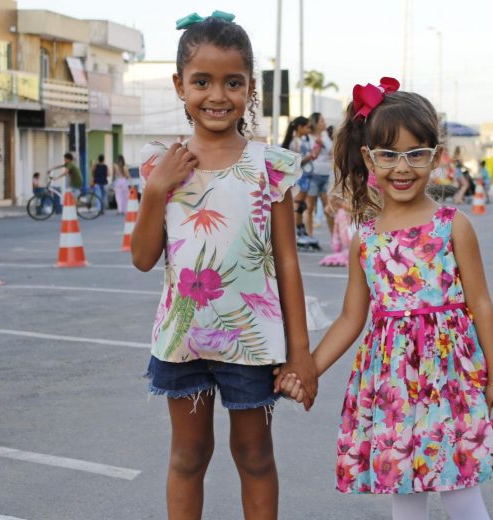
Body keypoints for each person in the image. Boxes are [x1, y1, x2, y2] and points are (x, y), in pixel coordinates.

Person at [278, 79, 493, 520]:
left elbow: (481, 304)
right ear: (369, 158)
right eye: (388, 155)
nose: (401, 168)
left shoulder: (453, 225)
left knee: (462, 491)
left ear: (435, 157)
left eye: (415, 154)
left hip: (452, 382)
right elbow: (351, 317)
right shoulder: (365, 238)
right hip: (392, 383)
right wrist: (306, 366)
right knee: (404, 490)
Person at [130, 12, 317, 520]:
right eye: (203, 81)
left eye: (233, 82)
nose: (218, 95)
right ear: (179, 86)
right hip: (182, 339)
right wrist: (155, 191)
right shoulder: (159, 164)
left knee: (255, 457)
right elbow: (144, 258)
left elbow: (287, 263)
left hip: (253, 343)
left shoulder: (268, 165)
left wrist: (299, 353)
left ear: (250, 88)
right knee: (188, 456)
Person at [304, 112, 335, 239]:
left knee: (328, 208)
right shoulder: (307, 137)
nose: (324, 123)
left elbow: (331, 152)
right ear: (316, 123)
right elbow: (306, 154)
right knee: (309, 207)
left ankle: (334, 237)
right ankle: (309, 236)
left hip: (325, 175)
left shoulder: (326, 136)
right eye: (322, 121)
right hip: (312, 175)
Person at [282, 116, 312, 238]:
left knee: (301, 205)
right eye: (307, 127)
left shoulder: (302, 141)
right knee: (298, 204)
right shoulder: (295, 142)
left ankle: (299, 228)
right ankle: (295, 230)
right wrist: (309, 158)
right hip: (299, 177)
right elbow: (295, 162)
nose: (309, 129)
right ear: (300, 127)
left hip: (305, 177)